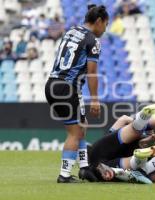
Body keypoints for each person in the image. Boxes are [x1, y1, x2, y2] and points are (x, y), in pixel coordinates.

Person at [44, 4, 109, 183]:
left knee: (82, 125)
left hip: (52, 83)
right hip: (67, 87)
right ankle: (64, 175)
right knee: (75, 132)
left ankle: (84, 167)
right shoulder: (93, 41)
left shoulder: (71, 31)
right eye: (105, 24)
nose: (105, 29)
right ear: (98, 21)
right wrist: (95, 100)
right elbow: (92, 73)